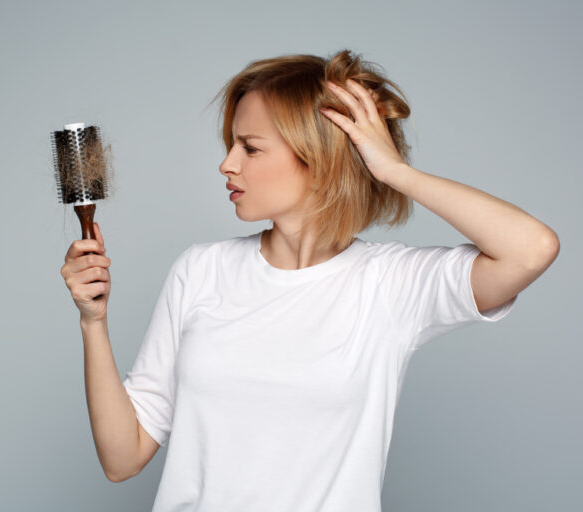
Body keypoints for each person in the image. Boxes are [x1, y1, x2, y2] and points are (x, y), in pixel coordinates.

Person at [61, 49, 560, 511]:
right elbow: (122, 459)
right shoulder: (200, 270)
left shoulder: (388, 284)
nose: (227, 164)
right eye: (231, 144)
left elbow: (532, 248)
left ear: (317, 159)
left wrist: (394, 171)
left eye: (249, 148)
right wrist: (93, 322)